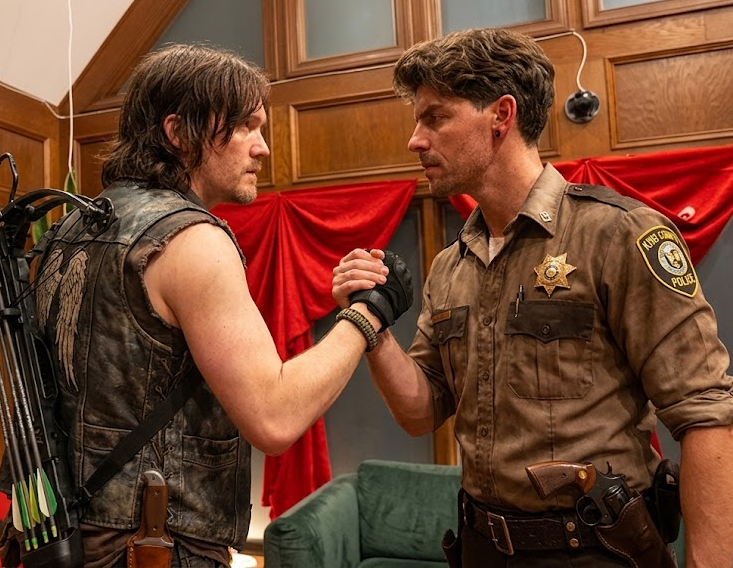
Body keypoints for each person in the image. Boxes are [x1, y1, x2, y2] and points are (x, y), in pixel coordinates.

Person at [333, 28, 733, 568]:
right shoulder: (451, 266)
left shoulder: (619, 234)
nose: (415, 140)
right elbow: (420, 412)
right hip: (480, 548)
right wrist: (374, 329)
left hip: (595, 551)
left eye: (435, 117)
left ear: (501, 115)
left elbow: (705, 411)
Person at [4, 44, 404, 568]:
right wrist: (368, 314)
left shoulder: (71, 228)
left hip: (64, 540)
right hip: (150, 548)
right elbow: (275, 417)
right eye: (245, 127)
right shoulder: (191, 239)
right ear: (178, 132)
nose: (263, 148)